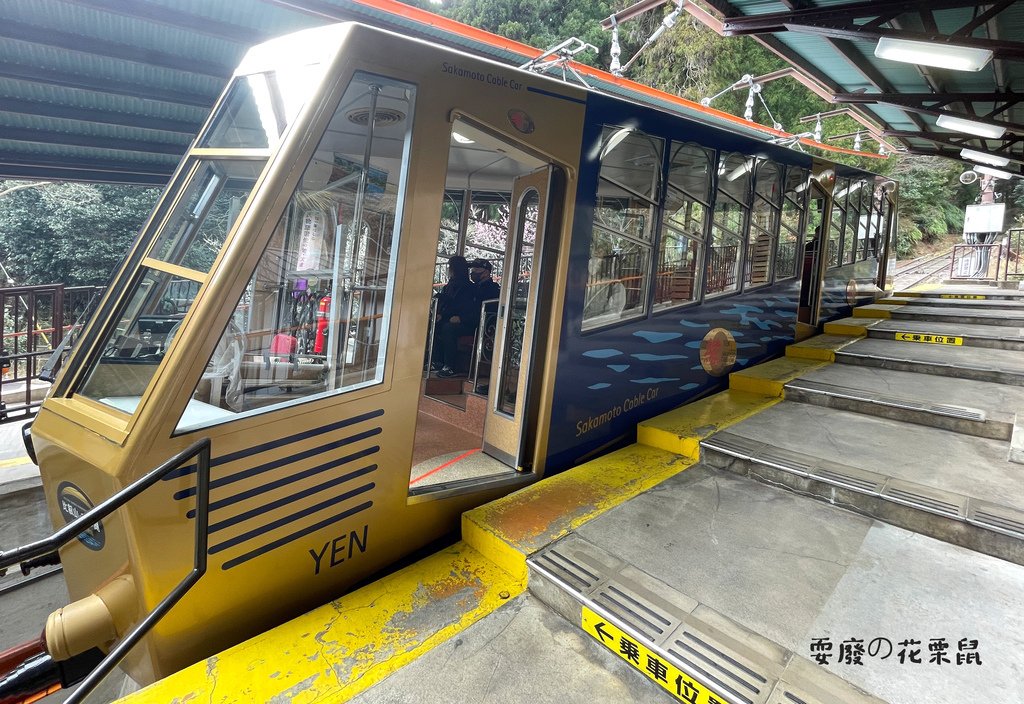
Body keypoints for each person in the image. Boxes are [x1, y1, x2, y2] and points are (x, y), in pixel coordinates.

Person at [433, 256, 477, 377]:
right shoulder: (450, 285)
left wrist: (460, 317)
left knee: (448, 328)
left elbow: (465, 306)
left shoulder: (468, 287)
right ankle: (437, 361)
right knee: (435, 325)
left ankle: (450, 365)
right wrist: (441, 314)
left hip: (466, 321)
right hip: (451, 317)